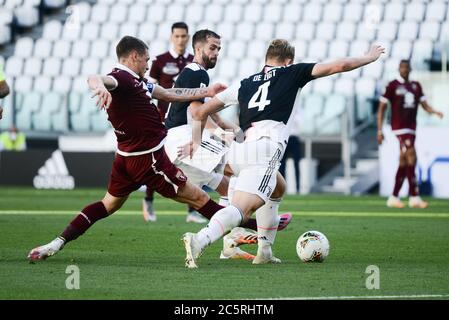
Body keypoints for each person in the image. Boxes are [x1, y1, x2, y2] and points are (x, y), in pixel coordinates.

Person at [182, 40, 385, 268]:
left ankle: (265, 251)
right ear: (288, 61)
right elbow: (337, 66)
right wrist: (368, 58)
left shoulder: (245, 83)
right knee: (241, 210)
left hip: (240, 150)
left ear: (267, 59)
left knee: (278, 188)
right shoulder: (292, 72)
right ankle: (199, 240)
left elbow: (200, 112)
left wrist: (195, 140)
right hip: (265, 150)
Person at [26, 36, 228, 262]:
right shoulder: (120, 78)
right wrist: (100, 86)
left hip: (125, 159)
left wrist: (207, 91)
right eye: (146, 60)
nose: (148, 65)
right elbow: (95, 78)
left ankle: (56, 243)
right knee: (200, 199)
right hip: (148, 160)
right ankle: (258, 226)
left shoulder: (138, 81)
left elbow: (170, 93)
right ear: (134, 57)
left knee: (107, 204)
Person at [163, 29, 292, 260]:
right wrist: (223, 136)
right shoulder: (197, 72)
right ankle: (240, 227)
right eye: (212, 48)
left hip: (177, 142)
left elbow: (209, 115)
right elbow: (195, 112)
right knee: (244, 166)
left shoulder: (194, 73)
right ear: (198, 48)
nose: (216, 53)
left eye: (219, 49)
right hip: (183, 138)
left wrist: (232, 131)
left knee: (227, 184)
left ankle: (229, 246)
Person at [143, 22, 195, 223]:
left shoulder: (193, 61)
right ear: (172, 37)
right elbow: (148, 91)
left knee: (190, 162)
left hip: (186, 121)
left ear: (188, 38)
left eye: (184, 36)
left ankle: (192, 210)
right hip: (162, 120)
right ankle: (148, 201)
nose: (181, 40)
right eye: (177, 36)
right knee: (157, 161)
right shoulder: (160, 61)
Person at [377, 59, 444, 209]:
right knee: (412, 156)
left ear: (410, 69)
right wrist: (380, 130)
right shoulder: (392, 85)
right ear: (398, 69)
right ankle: (414, 197)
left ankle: (394, 197)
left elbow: (424, 105)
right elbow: (381, 108)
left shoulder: (416, 86)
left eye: (407, 67)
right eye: (402, 67)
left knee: (404, 161)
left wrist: (435, 112)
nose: (405, 70)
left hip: (412, 128)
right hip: (399, 128)